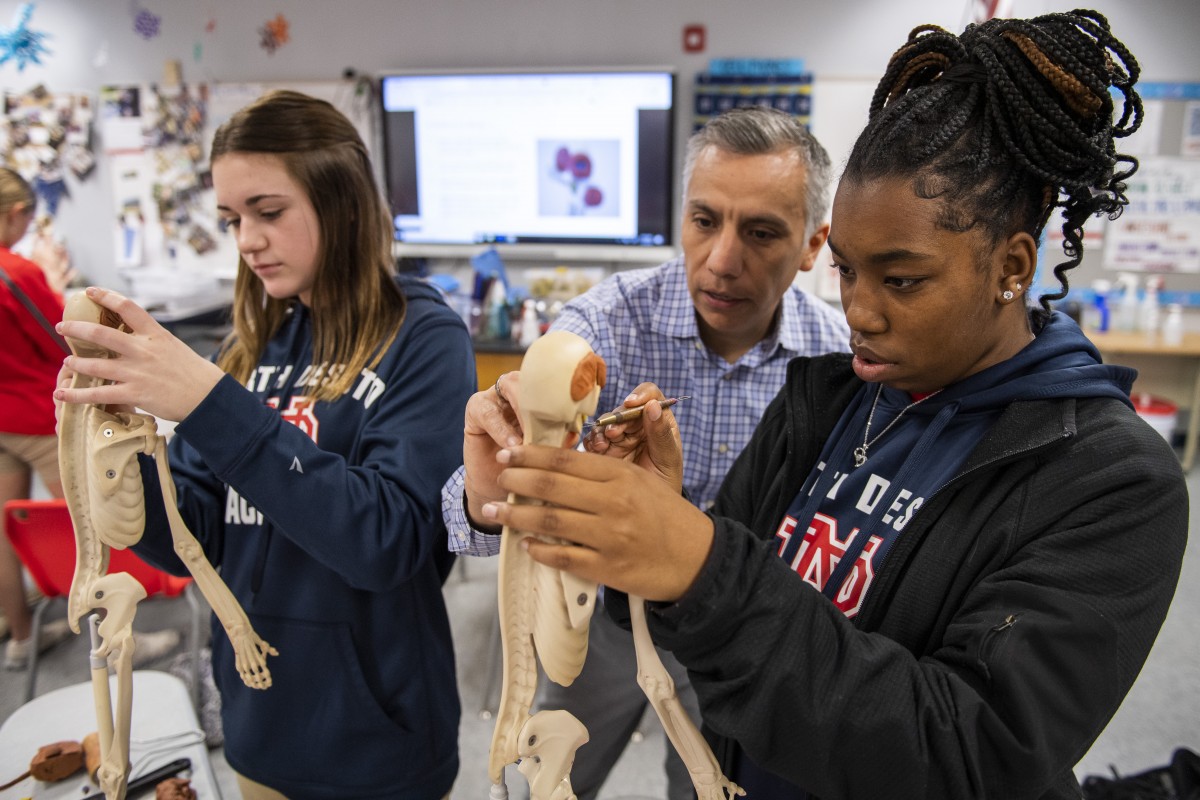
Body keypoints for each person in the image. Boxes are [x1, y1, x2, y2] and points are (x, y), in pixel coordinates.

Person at [460, 10, 1188, 799]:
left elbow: (969, 755)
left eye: (901, 280)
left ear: (1012, 266)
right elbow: (716, 628)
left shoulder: (1110, 482)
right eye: (846, 272)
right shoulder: (833, 391)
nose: (862, 312)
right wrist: (658, 532)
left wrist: (701, 563)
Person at [55, 91, 474, 800]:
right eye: (233, 219)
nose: (246, 240)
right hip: (259, 718)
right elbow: (200, 534)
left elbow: (387, 540)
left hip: (377, 737)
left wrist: (208, 405)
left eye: (268, 212)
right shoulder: (250, 347)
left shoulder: (425, 337)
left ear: (342, 203)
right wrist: (122, 467)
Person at [443, 106, 849, 799]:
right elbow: (474, 512)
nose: (722, 260)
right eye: (704, 221)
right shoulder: (605, 324)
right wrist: (487, 498)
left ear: (813, 245)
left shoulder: (837, 360)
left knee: (715, 782)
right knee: (552, 770)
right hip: (603, 619)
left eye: (760, 233)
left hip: (741, 636)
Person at [0, 166, 73, 668]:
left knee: (9, 529)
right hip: (37, 417)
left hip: (3, 423)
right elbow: (63, 337)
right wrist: (55, 279)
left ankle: (22, 640)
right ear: (17, 213)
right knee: (89, 527)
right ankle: (110, 644)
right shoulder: (17, 273)